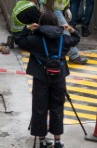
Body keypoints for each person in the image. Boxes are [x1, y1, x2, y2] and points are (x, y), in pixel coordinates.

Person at [14, 10, 80, 148]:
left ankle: (42, 140)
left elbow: (19, 40)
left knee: (39, 108)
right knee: (57, 107)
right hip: (59, 77)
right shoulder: (64, 38)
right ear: (56, 22)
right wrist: (71, 30)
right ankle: (57, 140)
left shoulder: (35, 39)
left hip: (40, 77)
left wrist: (27, 28)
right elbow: (76, 39)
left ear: (40, 22)